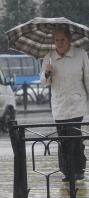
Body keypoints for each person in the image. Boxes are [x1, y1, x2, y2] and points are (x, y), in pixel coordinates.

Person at [40, 26, 89, 181]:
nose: (59, 43)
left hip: (77, 103)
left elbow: (87, 78)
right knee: (63, 139)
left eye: (63, 40)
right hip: (59, 105)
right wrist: (47, 73)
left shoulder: (80, 54)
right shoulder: (49, 57)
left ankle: (78, 169)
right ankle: (67, 171)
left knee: (74, 135)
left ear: (69, 40)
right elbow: (44, 82)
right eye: (57, 40)